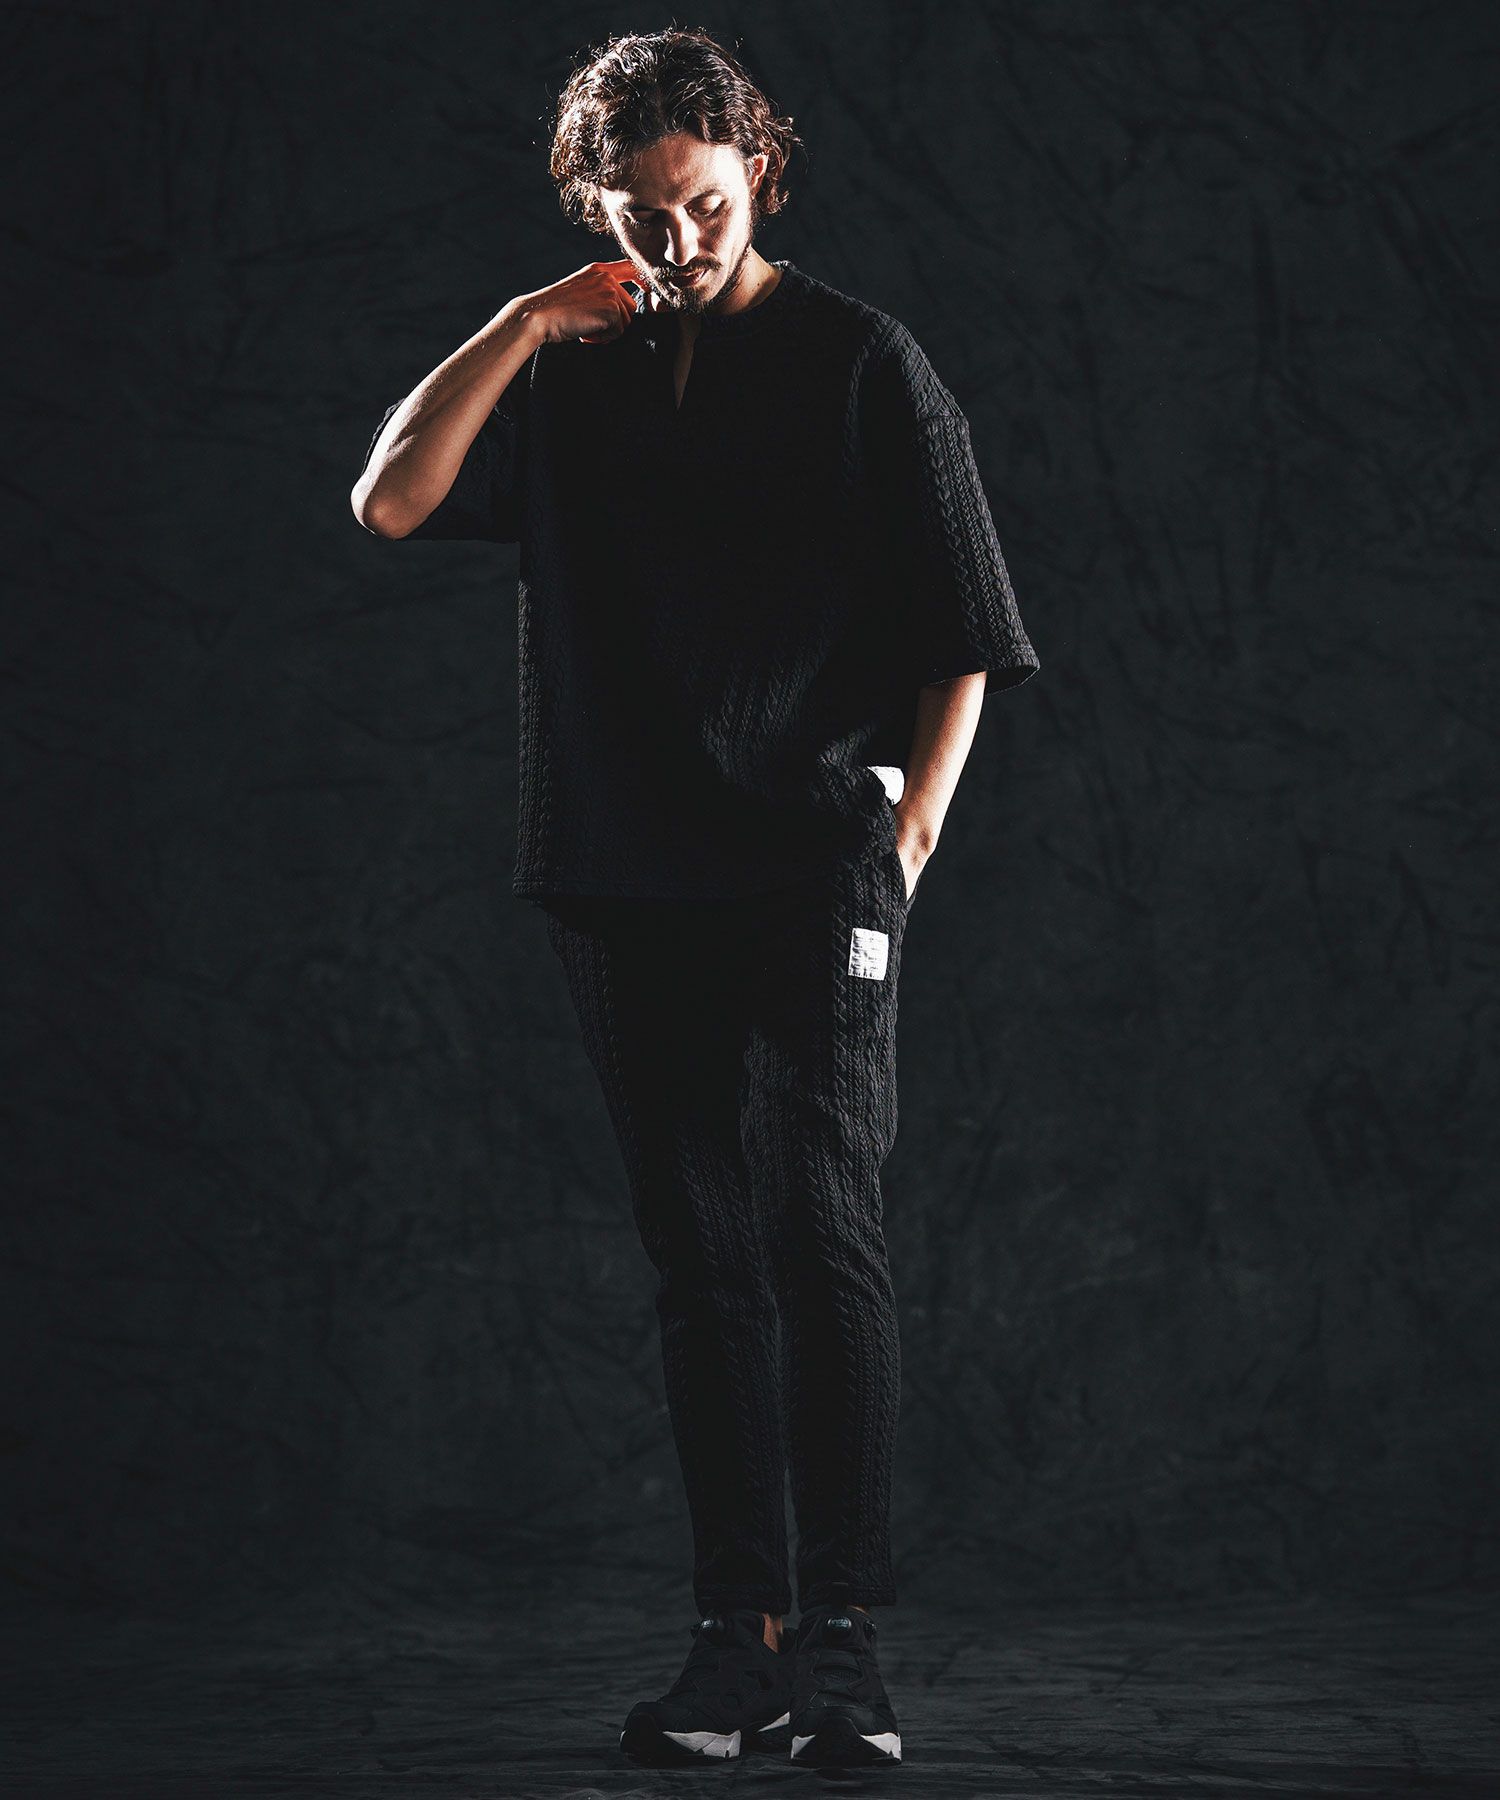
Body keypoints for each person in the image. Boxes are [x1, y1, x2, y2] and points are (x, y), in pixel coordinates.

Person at [351, 25, 1039, 1771]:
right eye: (645, 217)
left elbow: (965, 627)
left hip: (810, 865)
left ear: (761, 173)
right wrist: (526, 323)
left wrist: (908, 839)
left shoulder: (861, 359)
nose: (683, 243)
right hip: (618, 869)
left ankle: (845, 1649)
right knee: (701, 1261)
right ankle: (738, 1645)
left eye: (710, 205)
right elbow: (391, 498)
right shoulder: (570, 371)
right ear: (595, 207)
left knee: (821, 1232)